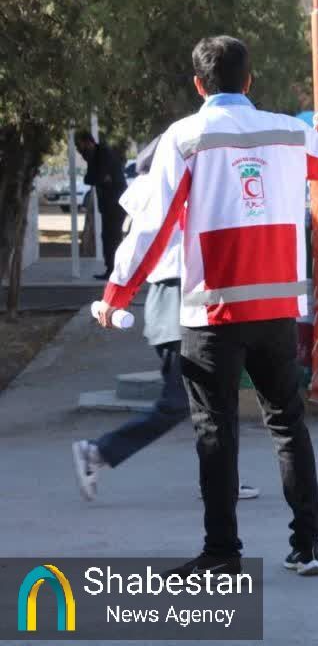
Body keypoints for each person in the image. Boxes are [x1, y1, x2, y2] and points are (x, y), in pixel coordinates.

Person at [94, 35, 318, 576]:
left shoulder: (186, 137)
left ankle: (222, 553)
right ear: (249, 81)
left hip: (213, 312)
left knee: (215, 431)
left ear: (199, 85)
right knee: (287, 423)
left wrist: (117, 294)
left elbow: (153, 223)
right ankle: (308, 545)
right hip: (276, 308)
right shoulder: (287, 131)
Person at [73, 137, 260, 503]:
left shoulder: (148, 195)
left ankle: (223, 480)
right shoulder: (169, 194)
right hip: (181, 304)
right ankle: (98, 452)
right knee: (182, 401)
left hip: (172, 305)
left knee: (216, 398)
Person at [75, 130, 128, 280]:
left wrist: (99, 177)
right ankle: (111, 269)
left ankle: (116, 271)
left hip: (115, 204)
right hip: (108, 204)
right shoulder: (95, 156)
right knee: (108, 237)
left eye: (81, 146)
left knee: (112, 238)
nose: (80, 150)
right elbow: (89, 179)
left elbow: (96, 177)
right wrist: (99, 178)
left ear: (88, 142)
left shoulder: (102, 154)